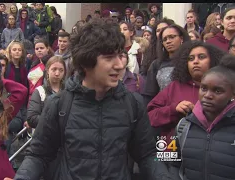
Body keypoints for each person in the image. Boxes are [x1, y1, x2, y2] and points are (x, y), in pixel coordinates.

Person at [10, 19, 171, 180]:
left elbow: (148, 155)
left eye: (120, 56)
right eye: (109, 58)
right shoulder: (59, 104)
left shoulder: (132, 103)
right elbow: (38, 155)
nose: (119, 65)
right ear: (86, 61)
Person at [147, 41, 225, 147]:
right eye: (191, 59)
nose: (195, 62)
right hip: (173, 151)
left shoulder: (225, 88)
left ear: (213, 61)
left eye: (201, 57)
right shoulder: (175, 86)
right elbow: (150, 116)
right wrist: (174, 109)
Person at [171, 54, 235, 180]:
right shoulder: (184, 126)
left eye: (217, 91)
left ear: (232, 93)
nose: (207, 95)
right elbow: (173, 163)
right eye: (204, 88)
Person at [142, 24, 190, 105]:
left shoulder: (191, 61)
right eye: (165, 39)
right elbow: (149, 96)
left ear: (181, 38)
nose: (168, 41)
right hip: (163, 110)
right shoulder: (156, 64)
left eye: (172, 37)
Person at [26, 56, 66, 128]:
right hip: (45, 134)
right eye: (54, 69)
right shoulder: (39, 91)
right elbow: (32, 118)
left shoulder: (68, 91)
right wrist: (54, 121)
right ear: (47, 70)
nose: (57, 73)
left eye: (61, 70)